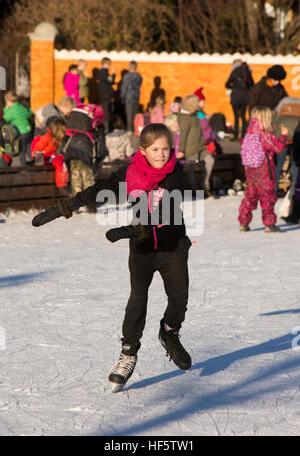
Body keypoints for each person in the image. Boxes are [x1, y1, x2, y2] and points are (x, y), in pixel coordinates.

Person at [32, 123, 192, 390]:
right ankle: (128, 353)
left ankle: (170, 334)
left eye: (166, 149)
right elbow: (102, 187)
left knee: (179, 297)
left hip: (172, 246)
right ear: (143, 151)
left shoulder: (175, 172)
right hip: (141, 248)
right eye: (155, 149)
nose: (162, 154)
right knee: (138, 298)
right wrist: (67, 206)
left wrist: (133, 229)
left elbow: (167, 210)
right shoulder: (130, 172)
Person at [238, 106, 288, 233]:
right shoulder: (265, 136)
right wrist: (283, 136)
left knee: (249, 198)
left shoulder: (248, 135)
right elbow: (278, 148)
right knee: (267, 198)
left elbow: (242, 145)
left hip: (250, 173)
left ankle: (243, 223)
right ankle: (269, 224)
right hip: (265, 172)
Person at [177, 94, 215, 197]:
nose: (198, 105)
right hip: (190, 147)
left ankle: (205, 183)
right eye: (196, 103)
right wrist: (181, 150)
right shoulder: (185, 118)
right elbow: (183, 135)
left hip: (201, 145)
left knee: (210, 160)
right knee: (191, 166)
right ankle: (193, 187)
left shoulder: (196, 114)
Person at [31, 119, 69, 190]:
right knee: (59, 161)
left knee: (62, 158)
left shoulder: (53, 138)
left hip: (48, 157)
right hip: (41, 159)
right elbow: (35, 151)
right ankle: (62, 185)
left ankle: (65, 181)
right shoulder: (46, 137)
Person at [225, 60, 254, 140]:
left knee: (236, 116)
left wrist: (234, 87)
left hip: (235, 97)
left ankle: (235, 135)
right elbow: (252, 84)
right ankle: (244, 134)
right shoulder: (248, 72)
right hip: (245, 97)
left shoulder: (234, 72)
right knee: (243, 116)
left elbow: (227, 84)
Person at [3, 90, 33, 165]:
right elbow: (30, 113)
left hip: (21, 133)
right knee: (29, 149)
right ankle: (33, 163)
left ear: (8, 101)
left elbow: (4, 117)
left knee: (21, 150)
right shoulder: (21, 106)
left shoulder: (12, 110)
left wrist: (6, 109)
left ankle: (23, 167)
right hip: (29, 132)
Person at [121, 61, 142, 133]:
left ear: (129, 67)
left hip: (128, 97)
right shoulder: (139, 76)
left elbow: (124, 88)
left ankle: (130, 130)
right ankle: (136, 129)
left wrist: (122, 97)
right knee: (135, 115)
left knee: (129, 115)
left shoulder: (126, 76)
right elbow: (140, 85)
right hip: (136, 97)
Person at [97, 57, 116, 132]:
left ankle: (104, 126)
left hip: (102, 93)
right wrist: (114, 74)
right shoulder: (104, 71)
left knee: (104, 109)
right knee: (106, 110)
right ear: (105, 63)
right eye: (109, 64)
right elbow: (111, 81)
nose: (110, 66)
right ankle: (106, 127)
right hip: (106, 93)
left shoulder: (100, 71)